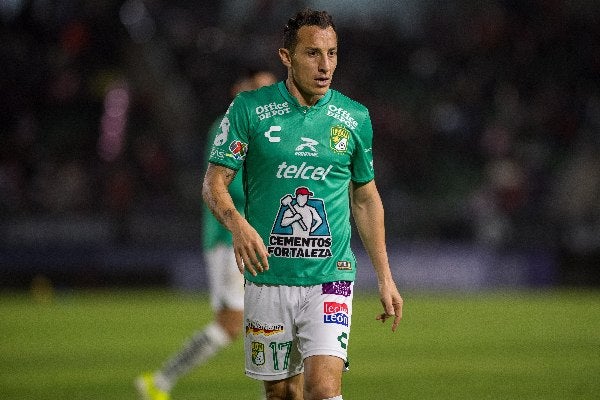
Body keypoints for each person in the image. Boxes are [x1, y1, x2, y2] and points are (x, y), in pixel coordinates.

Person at [202, 8, 403, 400]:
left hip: (330, 276)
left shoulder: (354, 117)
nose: (325, 65)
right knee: (281, 394)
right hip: (268, 276)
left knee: (323, 388)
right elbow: (214, 183)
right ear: (286, 57)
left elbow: (365, 198)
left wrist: (385, 276)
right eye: (312, 53)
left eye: (332, 53)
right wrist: (238, 225)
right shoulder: (249, 109)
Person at [135, 70, 277, 400]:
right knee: (236, 323)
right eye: (259, 88)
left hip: (241, 239)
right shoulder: (231, 126)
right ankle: (160, 381)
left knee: (266, 320)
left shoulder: (256, 128)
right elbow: (227, 187)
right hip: (232, 240)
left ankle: (161, 381)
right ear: (240, 89)